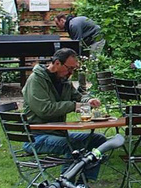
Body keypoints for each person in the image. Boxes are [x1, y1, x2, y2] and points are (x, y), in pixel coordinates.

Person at [22, 48, 109, 180]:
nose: (71, 73)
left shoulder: (63, 81)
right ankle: (65, 187)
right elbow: (44, 109)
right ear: (57, 63)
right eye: (69, 69)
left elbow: (78, 97)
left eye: (73, 69)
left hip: (58, 133)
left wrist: (88, 101)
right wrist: (73, 106)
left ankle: (85, 185)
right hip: (36, 137)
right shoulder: (36, 80)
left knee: (99, 140)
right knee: (73, 145)